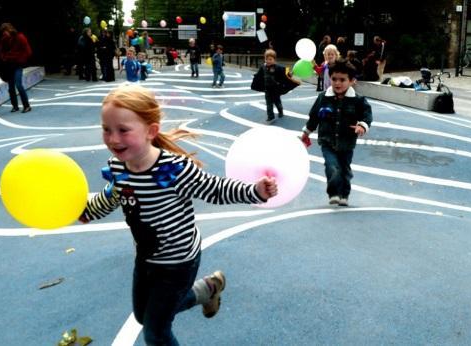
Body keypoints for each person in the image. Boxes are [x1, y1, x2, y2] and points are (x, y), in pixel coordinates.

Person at [79, 85, 278, 345]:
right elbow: (111, 196)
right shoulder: (117, 166)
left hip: (179, 262)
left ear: (151, 131)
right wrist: (88, 212)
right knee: (142, 316)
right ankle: (208, 289)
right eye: (107, 129)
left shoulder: (174, 169)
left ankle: (201, 290)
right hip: (147, 257)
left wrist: (255, 191)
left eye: (123, 130)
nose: (113, 139)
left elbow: (215, 189)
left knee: (156, 332)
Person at [300, 59, 372, 207]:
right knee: (332, 166)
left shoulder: (357, 101)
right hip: (327, 140)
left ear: (352, 81)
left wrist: (362, 126)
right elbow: (314, 116)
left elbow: (367, 115)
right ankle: (333, 193)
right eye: (334, 79)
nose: (337, 83)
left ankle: (344, 194)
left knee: (344, 169)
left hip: (347, 142)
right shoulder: (323, 98)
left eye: (342, 80)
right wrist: (306, 132)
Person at [250, 49, 298, 124]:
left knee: (277, 102)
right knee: (268, 103)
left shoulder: (277, 67)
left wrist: (289, 74)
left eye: (270, 59)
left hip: (276, 89)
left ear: (274, 60)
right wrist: (255, 77)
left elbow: (285, 71)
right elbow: (259, 75)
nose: (268, 61)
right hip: (267, 89)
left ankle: (280, 111)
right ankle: (270, 116)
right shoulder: (263, 67)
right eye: (266, 59)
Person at [0, 22, 32, 113]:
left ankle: (26, 106)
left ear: (9, 29)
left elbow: (28, 51)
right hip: (9, 65)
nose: (4, 34)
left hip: (17, 64)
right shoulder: (4, 39)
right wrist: (4, 58)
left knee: (18, 84)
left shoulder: (20, 37)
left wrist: (19, 59)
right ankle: (15, 106)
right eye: (3, 32)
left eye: (5, 31)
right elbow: (1, 51)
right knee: (11, 87)